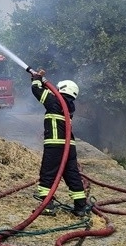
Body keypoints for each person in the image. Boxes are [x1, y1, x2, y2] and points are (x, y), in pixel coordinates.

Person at [30, 70, 88, 217]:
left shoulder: (55, 101)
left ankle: (47, 206)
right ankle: (80, 206)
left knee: (48, 174)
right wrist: (43, 81)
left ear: (62, 90)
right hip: (69, 146)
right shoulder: (68, 105)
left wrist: (37, 79)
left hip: (55, 145)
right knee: (72, 174)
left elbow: (36, 90)